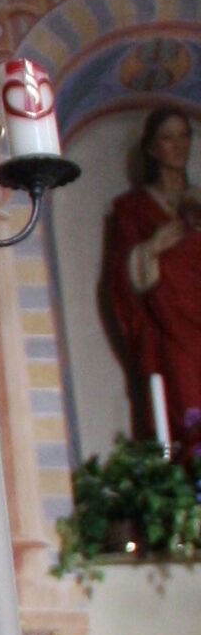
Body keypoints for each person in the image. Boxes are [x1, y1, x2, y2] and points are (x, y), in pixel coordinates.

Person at [100, 104, 201, 445]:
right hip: (172, 332)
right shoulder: (133, 208)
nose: (177, 145)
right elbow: (122, 281)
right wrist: (155, 246)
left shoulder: (198, 201)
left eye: (183, 136)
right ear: (152, 148)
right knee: (184, 408)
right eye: (167, 138)